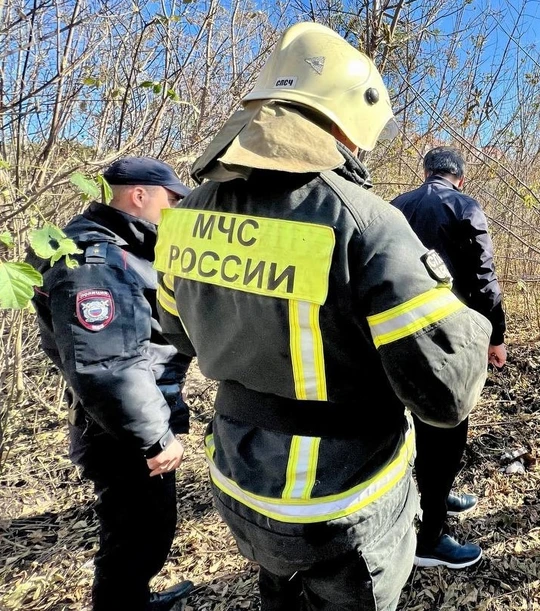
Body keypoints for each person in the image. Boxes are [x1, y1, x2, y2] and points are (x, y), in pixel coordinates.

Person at [154, 23, 491, 611]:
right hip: (340, 503)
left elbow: (177, 331)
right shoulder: (362, 221)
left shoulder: (186, 215)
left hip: (241, 481)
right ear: (345, 124)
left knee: (278, 591)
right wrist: (471, 323)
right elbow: (445, 394)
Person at [28, 157, 194, 610]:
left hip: (121, 419)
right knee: (139, 535)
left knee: (136, 533)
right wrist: (155, 437)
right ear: (139, 195)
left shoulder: (108, 245)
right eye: (172, 198)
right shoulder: (95, 259)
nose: (176, 208)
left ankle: (131, 600)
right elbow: (108, 365)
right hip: (122, 429)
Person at [391, 146, 506, 569]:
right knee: (447, 432)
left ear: (426, 173)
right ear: (459, 177)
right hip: (447, 340)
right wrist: (497, 335)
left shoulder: (393, 207)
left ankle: (433, 499)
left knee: (411, 430)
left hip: (393, 338)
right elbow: (483, 278)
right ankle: (431, 539)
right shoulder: (464, 206)